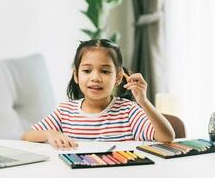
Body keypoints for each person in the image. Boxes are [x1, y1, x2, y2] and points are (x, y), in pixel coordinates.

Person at [21, 39, 175, 149]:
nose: (95, 78)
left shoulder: (129, 111)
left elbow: (167, 137)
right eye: (87, 71)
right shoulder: (65, 111)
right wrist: (49, 134)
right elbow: (26, 136)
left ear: (118, 77)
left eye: (105, 71)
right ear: (76, 75)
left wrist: (143, 101)